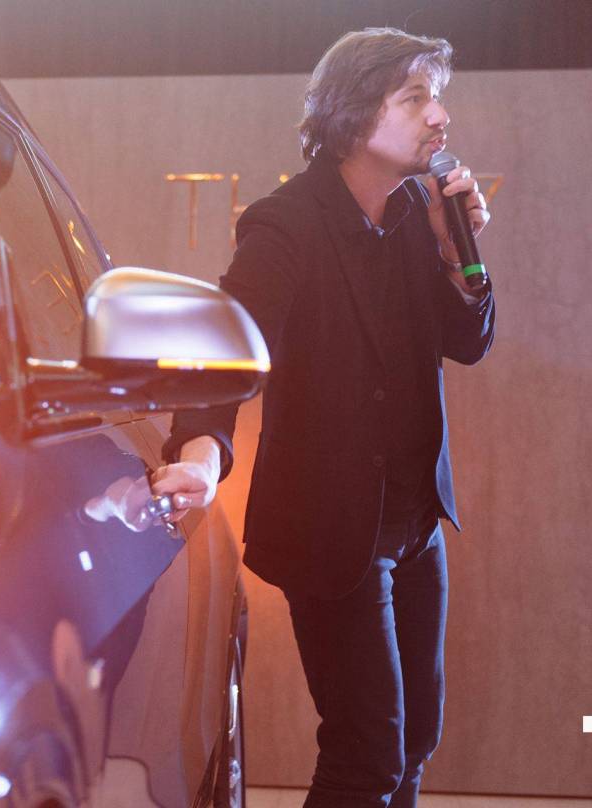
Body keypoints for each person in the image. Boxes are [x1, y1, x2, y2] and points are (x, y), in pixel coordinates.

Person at [150, 28, 496, 808]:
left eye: (436, 97)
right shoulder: (285, 224)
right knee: (364, 757)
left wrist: (455, 252)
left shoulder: (416, 213)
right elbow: (227, 349)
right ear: (352, 112)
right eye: (414, 98)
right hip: (331, 527)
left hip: (414, 521)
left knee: (413, 742)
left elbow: (468, 343)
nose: (438, 116)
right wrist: (200, 447)